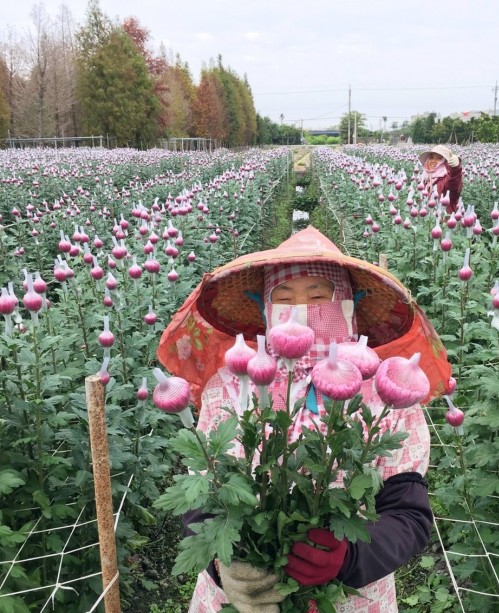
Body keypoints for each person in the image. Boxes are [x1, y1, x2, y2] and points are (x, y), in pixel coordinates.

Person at [157, 226, 453, 613]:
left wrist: (350, 557)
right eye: (283, 299)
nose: (300, 313)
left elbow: (408, 513)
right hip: (244, 600)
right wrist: (221, 564)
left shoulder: (384, 390)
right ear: (264, 309)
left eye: (318, 296)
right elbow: (203, 489)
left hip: (350, 598)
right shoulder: (230, 384)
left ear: (348, 303)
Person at [418, 144, 463, 214]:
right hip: (426, 221)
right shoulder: (424, 179)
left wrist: (455, 169)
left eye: (439, 158)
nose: (433, 161)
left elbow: (453, 183)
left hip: (443, 221)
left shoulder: (447, 179)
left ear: (445, 162)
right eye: (431, 157)